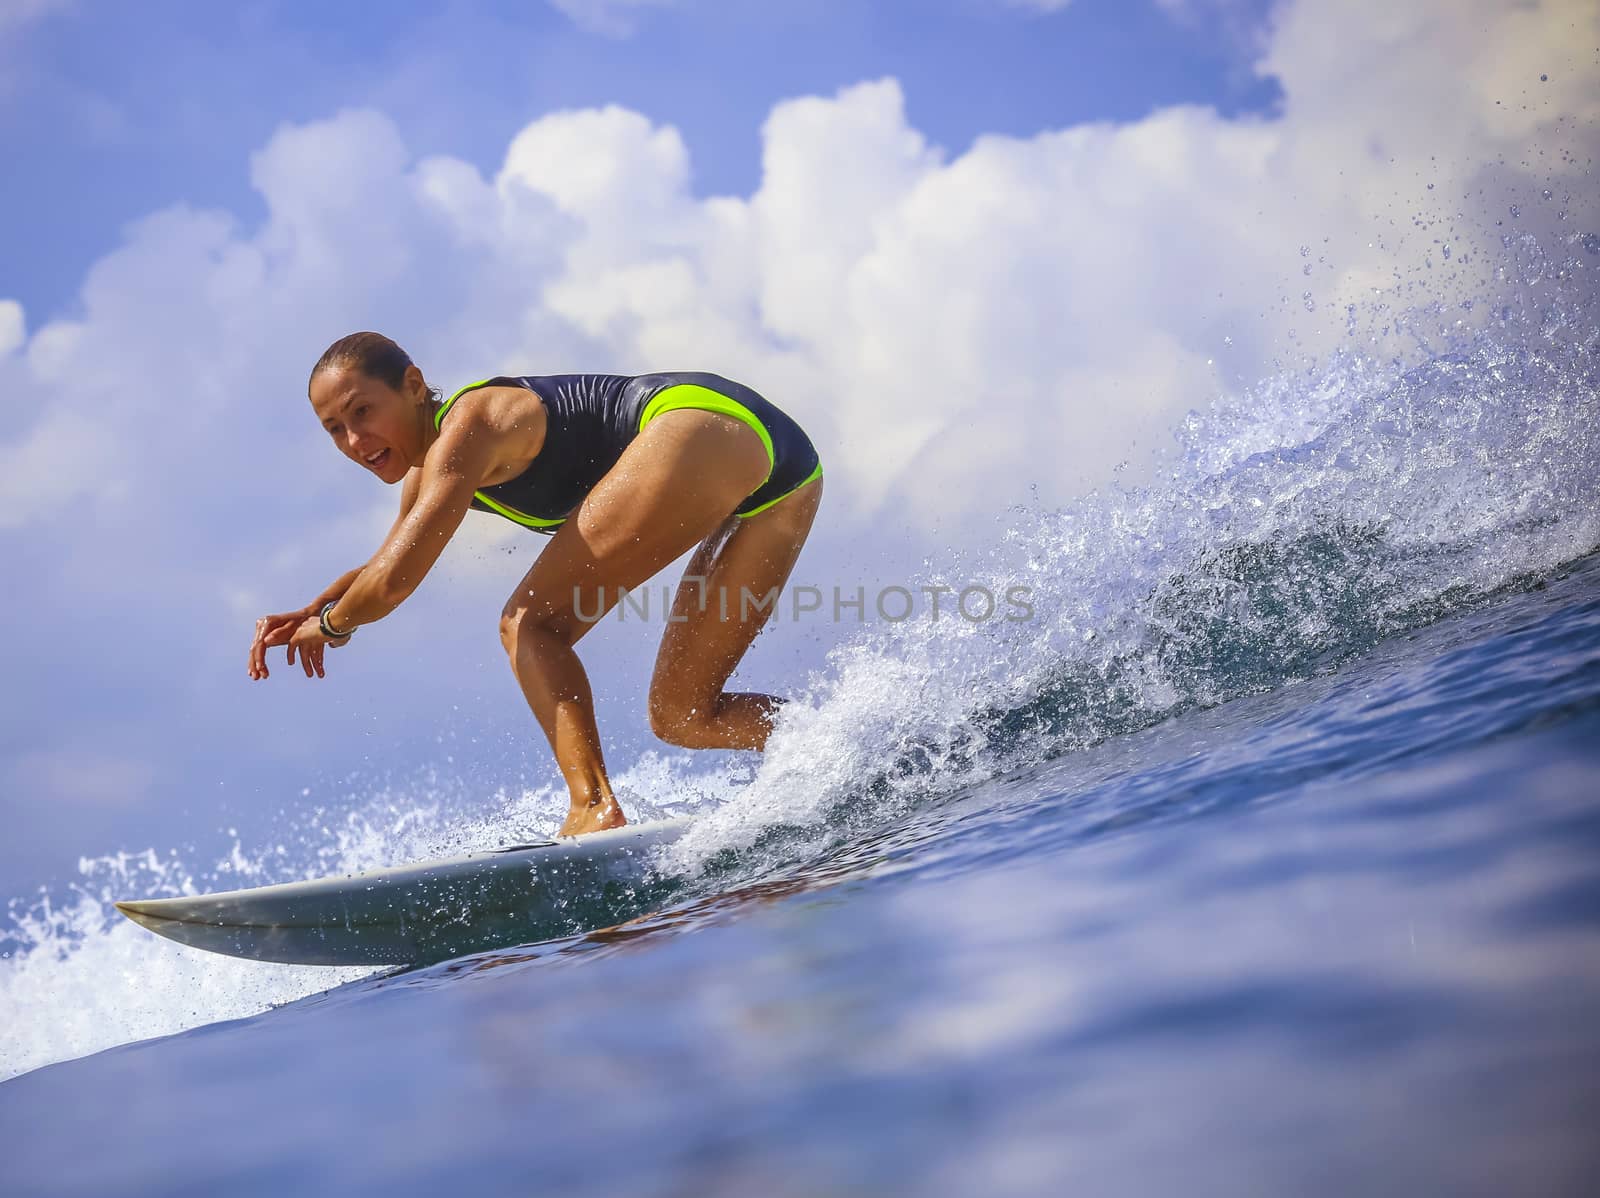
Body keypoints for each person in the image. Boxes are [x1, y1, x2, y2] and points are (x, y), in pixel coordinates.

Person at [247, 332, 824, 836]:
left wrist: (331, 627)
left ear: (413, 384)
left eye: (363, 412)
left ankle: (592, 808)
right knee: (683, 715)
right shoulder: (429, 472)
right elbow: (382, 565)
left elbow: (395, 582)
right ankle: (843, 746)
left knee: (530, 625)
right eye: (334, 429)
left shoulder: (467, 428)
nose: (354, 440)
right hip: (785, 474)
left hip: (695, 423)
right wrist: (315, 610)